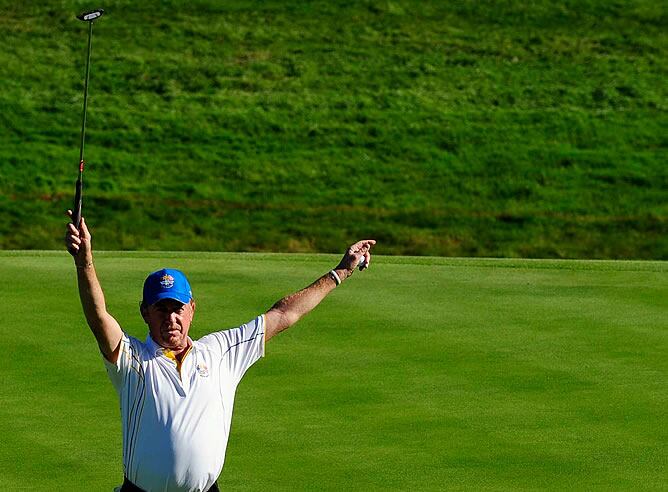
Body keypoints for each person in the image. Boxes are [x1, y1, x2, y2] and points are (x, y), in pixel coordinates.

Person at [65, 212, 375, 492]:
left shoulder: (221, 352)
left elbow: (283, 315)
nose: (170, 318)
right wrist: (84, 262)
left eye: (177, 309)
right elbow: (98, 317)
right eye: (161, 309)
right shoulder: (131, 360)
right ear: (145, 313)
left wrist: (341, 272)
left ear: (192, 311)